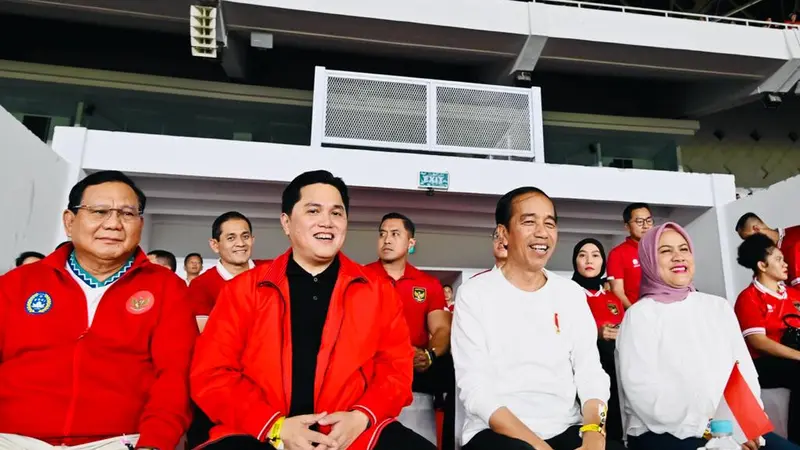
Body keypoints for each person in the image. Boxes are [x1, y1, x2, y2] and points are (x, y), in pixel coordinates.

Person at [190, 170, 435, 450]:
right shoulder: (243, 290)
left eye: (337, 213)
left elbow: (396, 371)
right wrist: (276, 427)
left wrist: (362, 416)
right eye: (313, 210)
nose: (326, 222)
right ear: (286, 222)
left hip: (352, 433)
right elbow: (213, 374)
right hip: (259, 431)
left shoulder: (378, 292)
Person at [0, 170, 197, 450]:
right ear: (70, 221)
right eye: (100, 211)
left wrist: (155, 443)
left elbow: (174, 378)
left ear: (140, 224)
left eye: (127, 214)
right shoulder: (16, 284)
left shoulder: (167, 288)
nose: (113, 224)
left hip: (119, 442)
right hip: (11, 438)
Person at [453, 186, 622, 450]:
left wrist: (594, 435)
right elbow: (475, 389)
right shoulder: (474, 294)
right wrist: (540, 448)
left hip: (566, 427)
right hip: (497, 434)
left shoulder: (570, 294)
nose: (542, 232)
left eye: (549, 223)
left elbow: (591, 374)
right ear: (503, 233)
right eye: (529, 221)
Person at [617, 223, 798, 450]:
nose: (677, 257)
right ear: (648, 260)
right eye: (665, 251)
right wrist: (709, 429)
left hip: (732, 423)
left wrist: (748, 423)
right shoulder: (639, 315)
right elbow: (643, 393)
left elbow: (744, 371)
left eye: (684, 249)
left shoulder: (717, 307)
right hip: (666, 430)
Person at [365, 212, 452, 446]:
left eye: (395, 234)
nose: (387, 240)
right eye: (382, 234)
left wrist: (429, 355)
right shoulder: (360, 278)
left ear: (410, 243)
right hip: (368, 382)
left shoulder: (428, 284)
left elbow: (442, 329)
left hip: (415, 384)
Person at [735, 233, 800, 443]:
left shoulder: (793, 294)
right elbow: (758, 342)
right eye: (779, 260)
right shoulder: (749, 298)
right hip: (764, 364)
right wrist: (799, 355)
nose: (785, 264)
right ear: (762, 266)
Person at [571, 238, 624, 441]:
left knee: (614, 428)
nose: (589, 260)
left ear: (603, 262)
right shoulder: (569, 294)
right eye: (582, 255)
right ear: (575, 261)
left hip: (613, 371)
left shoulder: (612, 297)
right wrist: (597, 333)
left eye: (595, 255)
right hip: (580, 372)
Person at [186, 211, 266, 316]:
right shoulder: (201, 285)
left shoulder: (271, 269)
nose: (241, 243)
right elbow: (206, 331)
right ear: (214, 245)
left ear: (252, 239)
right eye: (231, 238)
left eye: (245, 236)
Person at [607, 203, 654, 309]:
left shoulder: (660, 249)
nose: (645, 225)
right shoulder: (617, 254)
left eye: (649, 220)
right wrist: (634, 313)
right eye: (639, 222)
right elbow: (617, 291)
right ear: (627, 226)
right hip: (635, 313)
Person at [736, 212, 800, 288]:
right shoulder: (762, 259)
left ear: (756, 229)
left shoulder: (797, 234)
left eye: (748, 238)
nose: (749, 243)